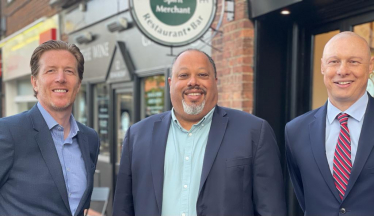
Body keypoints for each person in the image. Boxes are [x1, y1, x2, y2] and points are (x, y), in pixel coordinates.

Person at [113, 49, 286, 216]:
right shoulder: (137, 135)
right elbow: (123, 208)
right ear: (170, 83)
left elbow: (270, 209)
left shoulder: (254, 132)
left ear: (215, 81)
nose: (193, 82)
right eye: (183, 75)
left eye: (202, 75)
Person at [0, 40, 100, 216]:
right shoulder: (8, 132)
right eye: (50, 70)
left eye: (69, 71)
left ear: (78, 84)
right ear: (35, 82)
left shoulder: (90, 139)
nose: (60, 78)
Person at [286, 31, 374, 215]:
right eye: (334, 61)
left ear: (371, 65)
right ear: (322, 67)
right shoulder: (295, 131)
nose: (342, 71)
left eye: (354, 61)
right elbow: (304, 197)